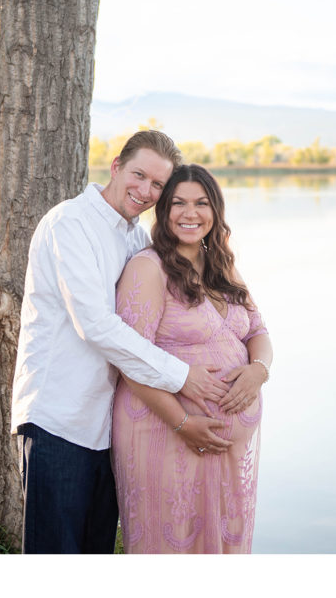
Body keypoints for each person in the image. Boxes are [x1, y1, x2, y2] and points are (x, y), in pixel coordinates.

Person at [10, 131, 231, 553]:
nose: (145, 191)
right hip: (59, 418)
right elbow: (95, 325)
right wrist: (183, 377)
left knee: (96, 555)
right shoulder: (70, 223)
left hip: (109, 428)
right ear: (115, 166)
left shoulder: (135, 238)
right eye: (138, 175)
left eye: (158, 185)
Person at [110, 164, 272, 554]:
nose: (189, 213)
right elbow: (131, 361)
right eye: (178, 203)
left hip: (226, 453)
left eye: (201, 203)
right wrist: (183, 423)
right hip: (163, 432)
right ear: (163, 211)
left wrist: (258, 371)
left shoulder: (221, 264)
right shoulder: (148, 268)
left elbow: (258, 332)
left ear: (215, 211)